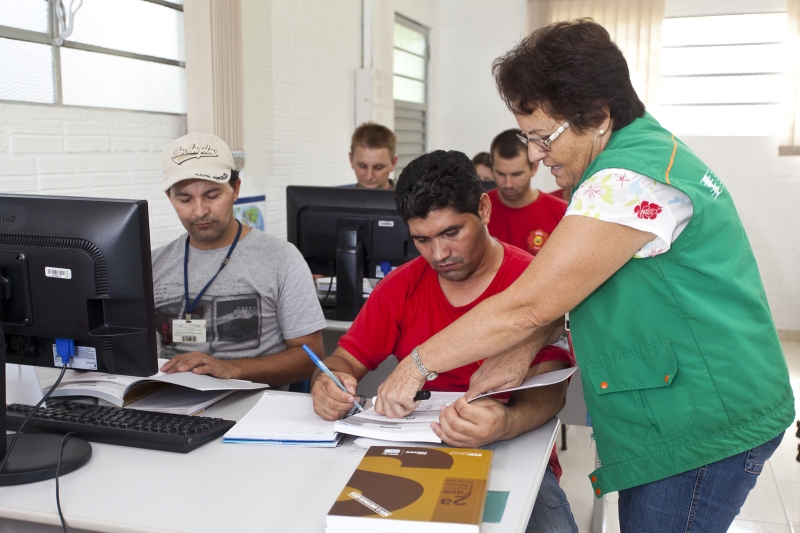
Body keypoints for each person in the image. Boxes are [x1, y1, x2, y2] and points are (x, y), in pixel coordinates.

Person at [374, 19, 795, 533]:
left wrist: (416, 365)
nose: (533, 155)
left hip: (704, 419)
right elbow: (579, 290)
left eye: (541, 138)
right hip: (692, 408)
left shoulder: (625, 182)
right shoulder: (633, 161)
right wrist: (524, 349)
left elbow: (528, 303)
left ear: (597, 117)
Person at [312, 150, 578, 533]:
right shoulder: (400, 287)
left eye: (452, 233)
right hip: (408, 453)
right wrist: (329, 384)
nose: (439, 254)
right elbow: (344, 361)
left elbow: (552, 390)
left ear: (484, 210)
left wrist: (506, 422)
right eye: (421, 239)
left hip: (510, 447)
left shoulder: (532, 284)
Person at [153, 132, 326, 386]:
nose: (200, 211)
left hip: (253, 411)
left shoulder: (282, 259)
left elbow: (311, 358)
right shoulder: (154, 264)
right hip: (169, 407)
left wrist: (231, 369)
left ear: (235, 189)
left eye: (212, 196)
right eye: (185, 199)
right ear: (170, 198)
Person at [487, 129, 568, 255]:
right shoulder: (478, 208)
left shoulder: (563, 213)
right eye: (500, 174)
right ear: (492, 166)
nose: (508, 184)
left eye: (517, 174)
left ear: (534, 168)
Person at [348, 122, 398, 189]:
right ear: (351, 160)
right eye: (362, 166)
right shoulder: (334, 199)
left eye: (378, 167)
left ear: (393, 163)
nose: (369, 177)